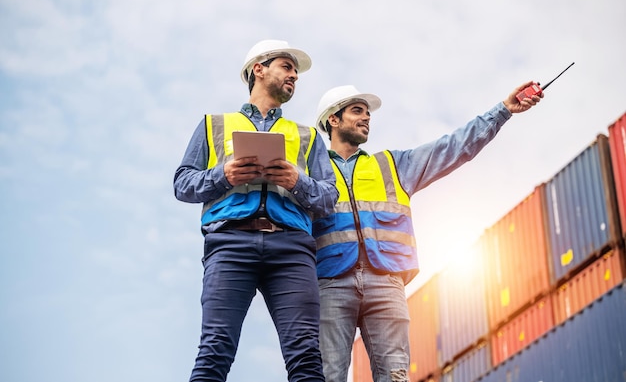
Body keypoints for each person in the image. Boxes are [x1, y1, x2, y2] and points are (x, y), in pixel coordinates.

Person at [312, 83, 543, 382]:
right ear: (333, 119)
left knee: (396, 376)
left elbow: (453, 147)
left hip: (387, 283)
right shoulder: (311, 172)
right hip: (331, 282)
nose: (367, 118)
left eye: (368, 113)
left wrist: (503, 110)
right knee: (327, 376)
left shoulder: (393, 165)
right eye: (357, 111)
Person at [174, 39, 339, 382]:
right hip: (230, 245)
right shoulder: (213, 124)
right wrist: (225, 174)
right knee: (215, 350)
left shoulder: (307, 135)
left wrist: (297, 181)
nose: (294, 75)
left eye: (296, 71)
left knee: (306, 356)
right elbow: (182, 184)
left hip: (292, 249)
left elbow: (328, 198)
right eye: (287, 66)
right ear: (258, 70)